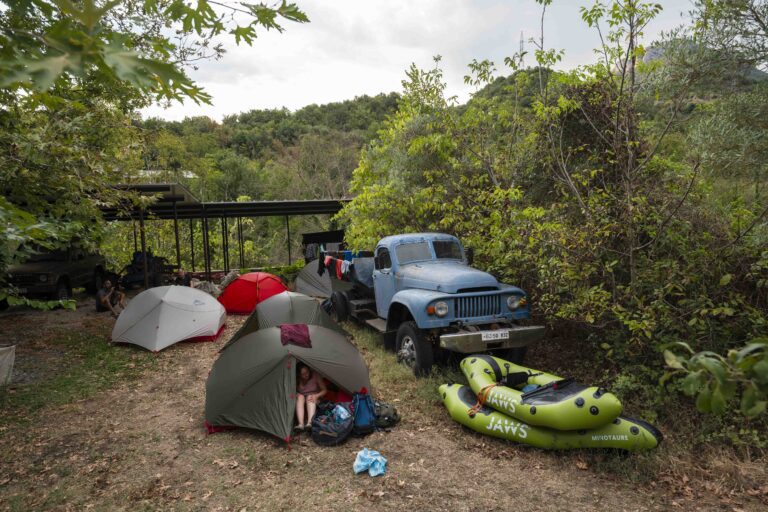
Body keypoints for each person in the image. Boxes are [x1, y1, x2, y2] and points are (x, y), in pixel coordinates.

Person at [295, 364, 327, 431]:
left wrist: (316, 396)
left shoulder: (315, 375)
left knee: (310, 397)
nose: (306, 375)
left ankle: (309, 423)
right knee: (300, 396)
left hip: (314, 398)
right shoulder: (297, 379)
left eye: (307, 372)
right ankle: (301, 425)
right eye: (303, 374)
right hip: (302, 399)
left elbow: (325, 390)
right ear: (299, 375)